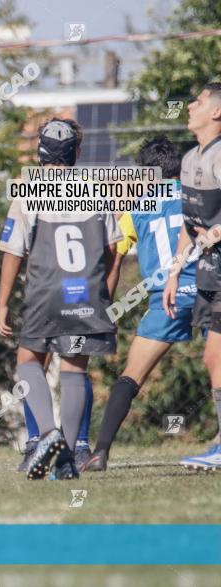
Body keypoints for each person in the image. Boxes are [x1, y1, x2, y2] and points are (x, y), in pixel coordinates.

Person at [0, 118, 121, 480]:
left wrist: (2, 302)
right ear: (76, 153)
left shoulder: (28, 187)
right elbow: (114, 251)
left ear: (40, 150)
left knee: (28, 361)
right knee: (74, 368)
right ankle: (67, 460)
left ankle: (46, 434)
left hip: (44, 289)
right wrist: (105, 299)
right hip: (84, 291)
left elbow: (12, 251)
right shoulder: (96, 188)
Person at [83, 136, 197, 472]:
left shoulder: (137, 207)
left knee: (130, 377)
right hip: (208, 292)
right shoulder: (197, 194)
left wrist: (107, 310)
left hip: (166, 299)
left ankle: (101, 451)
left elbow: (114, 263)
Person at [163, 82, 221, 471]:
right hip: (208, 273)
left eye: (198, 102)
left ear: (216, 112)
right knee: (212, 357)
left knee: (215, 355)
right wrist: (174, 271)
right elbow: (189, 225)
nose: (190, 106)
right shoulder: (188, 160)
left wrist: (216, 233)